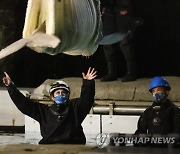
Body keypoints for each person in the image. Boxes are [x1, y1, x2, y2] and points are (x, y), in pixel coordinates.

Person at [2, 67, 97, 144]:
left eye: (63, 93)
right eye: (58, 93)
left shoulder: (75, 108)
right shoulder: (44, 112)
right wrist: (11, 87)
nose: (60, 94)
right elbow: (24, 104)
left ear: (68, 95)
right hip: (50, 147)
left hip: (74, 147)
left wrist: (88, 83)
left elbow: (87, 99)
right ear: (52, 97)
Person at [100, 0, 141, 82]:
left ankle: (131, 73)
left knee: (125, 44)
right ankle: (111, 73)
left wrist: (129, 10)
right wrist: (101, 10)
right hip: (109, 15)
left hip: (122, 15)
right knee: (108, 45)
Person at [135, 76, 180, 146]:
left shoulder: (174, 110)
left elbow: (178, 131)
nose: (156, 93)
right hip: (151, 149)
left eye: (159, 90)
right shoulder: (148, 112)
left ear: (167, 91)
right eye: (154, 91)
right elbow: (140, 132)